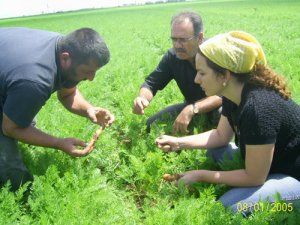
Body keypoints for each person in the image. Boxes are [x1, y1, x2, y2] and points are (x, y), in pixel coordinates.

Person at [156, 31, 300, 214]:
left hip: (293, 175)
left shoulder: (258, 108)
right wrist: (178, 143)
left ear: (224, 75)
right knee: (214, 150)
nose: (196, 79)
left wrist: (201, 175)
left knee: (231, 208)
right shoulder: (233, 94)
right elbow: (220, 135)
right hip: (268, 165)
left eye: (201, 73)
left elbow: (255, 177)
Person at [0, 27, 115, 191]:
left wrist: (89, 109)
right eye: (87, 71)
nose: (91, 78)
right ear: (65, 58)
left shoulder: (65, 49)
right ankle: (22, 201)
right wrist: (58, 143)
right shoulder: (35, 80)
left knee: (21, 112)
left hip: (10, 68)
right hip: (22, 75)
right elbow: (10, 128)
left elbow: (68, 94)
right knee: (10, 167)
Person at [132, 11, 222, 134]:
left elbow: (224, 94)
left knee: (221, 115)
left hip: (218, 105)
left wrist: (193, 109)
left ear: (199, 38)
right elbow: (151, 84)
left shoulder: (215, 53)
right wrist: (142, 98)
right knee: (150, 125)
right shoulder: (172, 57)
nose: (177, 45)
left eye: (183, 40)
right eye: (174, 39)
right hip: (190, 106)